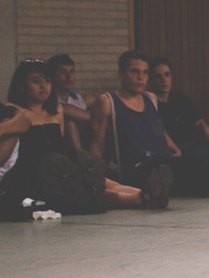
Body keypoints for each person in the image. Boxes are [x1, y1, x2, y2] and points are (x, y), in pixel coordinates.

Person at [6, 59, 154, 209]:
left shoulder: (56, 110)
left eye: (48, 81)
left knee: (101, 181)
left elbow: (60, 145)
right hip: (35, 174)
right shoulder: (13, 111)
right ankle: (140, 198)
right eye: (36, 81)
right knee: (89, 189)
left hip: (61, 167)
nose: (44, 86)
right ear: (21, 85)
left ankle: (149, 192)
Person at [89, 51, 177, 203]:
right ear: (121, 74)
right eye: (134, 71)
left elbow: (158, 130)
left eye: (145, 72)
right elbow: (97, 143)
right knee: (174, 169)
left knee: (198, 165)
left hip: (162, 160)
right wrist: (95, 176)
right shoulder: (107, 101)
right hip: (134, 168)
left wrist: (175, 149)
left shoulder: (151, 98)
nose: (140, 77)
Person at [46, 54, 95, 150]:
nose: (69, 77)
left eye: (71, 72)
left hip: (88, 146)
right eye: (63, 72)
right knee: (69, 123)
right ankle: (80, 157)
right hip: (60, 150)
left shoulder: (79, 98)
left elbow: (106, 103)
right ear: (52, 76)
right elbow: (65, 109)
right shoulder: (47, 99)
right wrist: (95, 118)